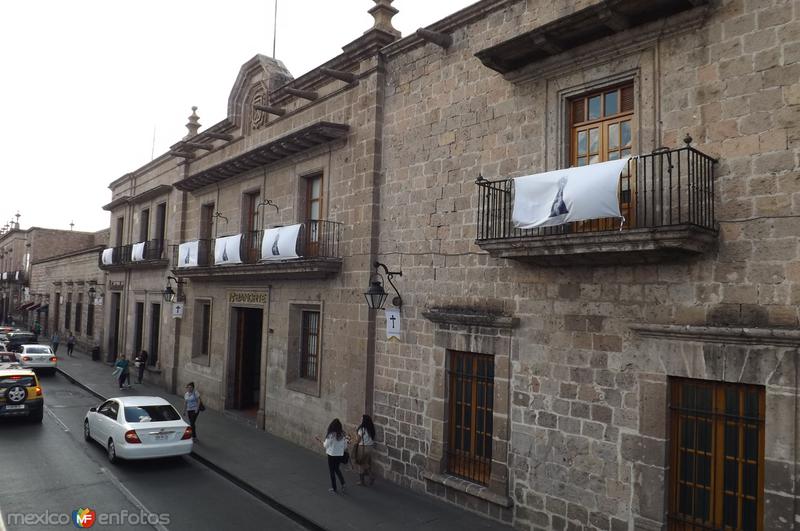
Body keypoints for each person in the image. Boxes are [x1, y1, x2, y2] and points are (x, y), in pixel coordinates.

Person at [316, 418, 349, 494]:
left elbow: (325, 445)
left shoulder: (331, 435)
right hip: (339, 455)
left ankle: (334, 488)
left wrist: (320, 440)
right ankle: (343, 483)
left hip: (331, 455)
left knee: (332, 471)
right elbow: (345, 446)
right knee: (337, 469)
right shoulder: (343, 434)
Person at [354, 414, 377, 486]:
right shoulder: (371, 429)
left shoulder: (361, 429)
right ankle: (370, 476)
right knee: (366, 463)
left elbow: (358, 440)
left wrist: (355, 434)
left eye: (361, 419)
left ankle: (364, 480)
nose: (360, 420)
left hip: (362, 448)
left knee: (361, 464)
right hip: (370, 447)